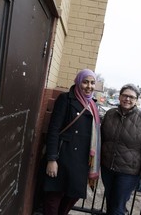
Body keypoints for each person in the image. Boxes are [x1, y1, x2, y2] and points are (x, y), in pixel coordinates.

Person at [43, 69, 101, 215]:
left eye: (92, 83)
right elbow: (54, 130)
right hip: (63, 155)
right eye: (85, 82)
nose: (89, 86)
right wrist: (51, 159)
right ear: (78, 82)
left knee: (73, 194)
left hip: (81, 160)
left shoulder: (93, 104)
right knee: (54, 197)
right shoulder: (66, 99)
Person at [101, 83, 141, 215]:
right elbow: (101, 138)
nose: (127, 99)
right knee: (110, 202)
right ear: (119, 97)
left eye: (131, 97)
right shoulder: (110, 114)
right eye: (125, 96)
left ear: (136, 100)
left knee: (118, 207)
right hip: (107, 168)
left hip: (128, 172)